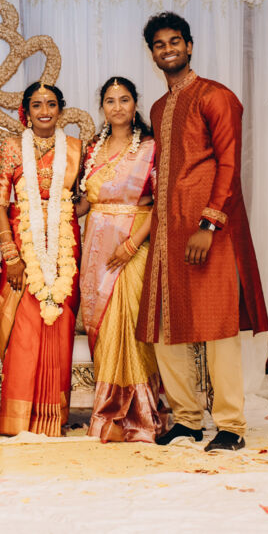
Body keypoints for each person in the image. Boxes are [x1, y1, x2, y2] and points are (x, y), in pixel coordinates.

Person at [137, 13, 268, 452]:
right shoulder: (159, 108)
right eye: (159, 44)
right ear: (152, 53)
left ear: (189, 45)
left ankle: (231, 425)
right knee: (167, 325)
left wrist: (209, 224)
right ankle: (188, 420)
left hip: (209, 229)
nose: (168, 49)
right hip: (169, 231)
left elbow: (229, 165)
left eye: (175, 41)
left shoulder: (216, 97)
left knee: (217, 325)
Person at [76, 76, 165, 443]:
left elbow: (161, 203)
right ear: (102, 107)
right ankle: (111, 412)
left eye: (124, 99)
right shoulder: (92, 149)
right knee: (103, 329)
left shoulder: (150, 147)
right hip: (96, 246)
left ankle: (138, 414)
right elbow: (85, 202)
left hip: (133, 243)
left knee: (127, 324)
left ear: (135, 104)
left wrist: (132, 245)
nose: (117, 107)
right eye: (110, 101)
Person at [0, 82, 82, 436]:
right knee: (25, 328)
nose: (44, 111)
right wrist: (11, 256)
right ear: (26, 112)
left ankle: (52, 418)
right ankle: (18, 419)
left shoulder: (74, 148)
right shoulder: (12, 148)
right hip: (22, 240)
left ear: (60, 109)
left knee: (59, 323)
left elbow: (82, 200)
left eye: (51, 104)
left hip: (64, 244)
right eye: (37, 105)